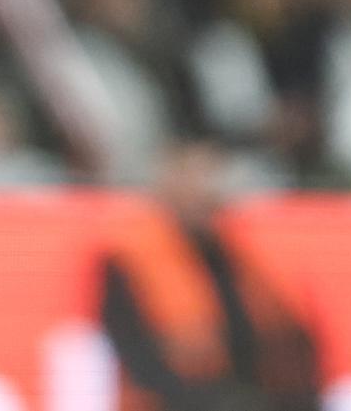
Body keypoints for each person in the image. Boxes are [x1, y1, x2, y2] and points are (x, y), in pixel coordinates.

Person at [99, 138, 322, 411]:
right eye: (193, 179)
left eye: (210, 178)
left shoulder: (238, 258)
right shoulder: (128, 261)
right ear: (166, 188)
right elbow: (142, 363)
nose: (204, 191)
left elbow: (290, 340)